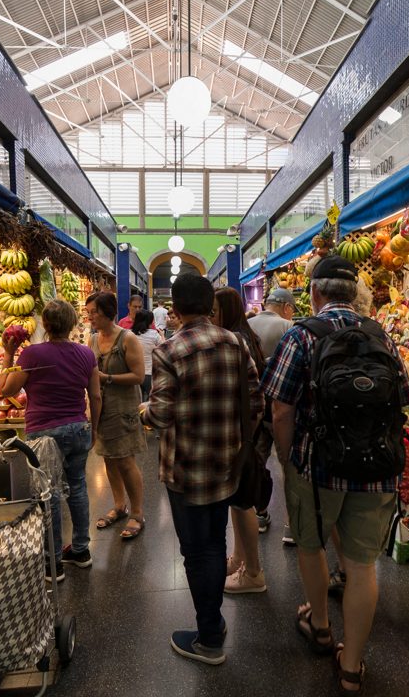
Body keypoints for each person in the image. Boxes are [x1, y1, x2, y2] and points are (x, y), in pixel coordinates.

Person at [262, 255, 409, 693]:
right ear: (355, 294)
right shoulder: (381, 335)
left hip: (318, 464)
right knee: (363, 565)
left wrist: (290, 457)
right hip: (377, 467)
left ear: (314, 293)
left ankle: (322, 626)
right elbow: (404, 397)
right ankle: (352, 665)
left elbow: (280, 407)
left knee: (311, 545)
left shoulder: (302, 336)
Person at [140, 274, 263, 665]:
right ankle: (214, 623)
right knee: (215, 542)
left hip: (186, 470)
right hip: (227, 463)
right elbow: (256, 400)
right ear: (211, 306)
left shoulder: (168, 351)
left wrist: (143, 413)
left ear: (174, 309)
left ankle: (209, 637)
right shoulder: (235, 342)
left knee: (198, 552)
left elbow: (160, 415)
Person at [0, 299, 101, 582]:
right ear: (72, 325)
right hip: (78, 427)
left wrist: (8, 354)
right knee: (78, 487)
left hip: (44, 433)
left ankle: (52, 562)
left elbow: (5, 390)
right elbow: (95, 396)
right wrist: (94, 428)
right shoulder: (85, 354)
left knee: (49, 494)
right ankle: (81, 550)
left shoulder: (31, 354)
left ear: (44, 324)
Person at [211, 287, 267, 594]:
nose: (212, 315)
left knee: (243, 501)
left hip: (242, 433)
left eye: (215, 309)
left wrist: (244, 436)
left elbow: (246, 394)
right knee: (238, 499)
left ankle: (254, 571)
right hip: (246, 431)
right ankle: (239, 558)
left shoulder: (236, 340)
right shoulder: (245, 335)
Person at [89, 292, 147, 539]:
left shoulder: (127, 338)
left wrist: (107, 378)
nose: (90, 317)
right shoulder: (91, 339)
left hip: (123, 409)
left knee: (125, 460)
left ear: (108, 313)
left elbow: (139, 377)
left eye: (94, 312)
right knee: (108, 460)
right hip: (100, 409)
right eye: (88, 312)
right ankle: (118, 505)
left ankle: (137, 513)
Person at [248, 288, 295, 538]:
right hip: (281, 405)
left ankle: (260, 514)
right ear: (287, 307)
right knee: (288, 464)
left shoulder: (247, 325)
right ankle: (290, 524)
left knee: (258, 461)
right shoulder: (288, 327)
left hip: (255, 406)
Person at [249, 288, 296, 360]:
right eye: (292, 310)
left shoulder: (247, 323)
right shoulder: (288, 326)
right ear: (286, 307)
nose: (292, 314)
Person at [132, 308, 163, 401]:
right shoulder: (154, 334)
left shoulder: (130, 334)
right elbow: (164, 348)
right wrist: (162, 335)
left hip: (133, 374)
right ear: (149, 321)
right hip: (149, 373)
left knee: (137, 401)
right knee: (152, 401)